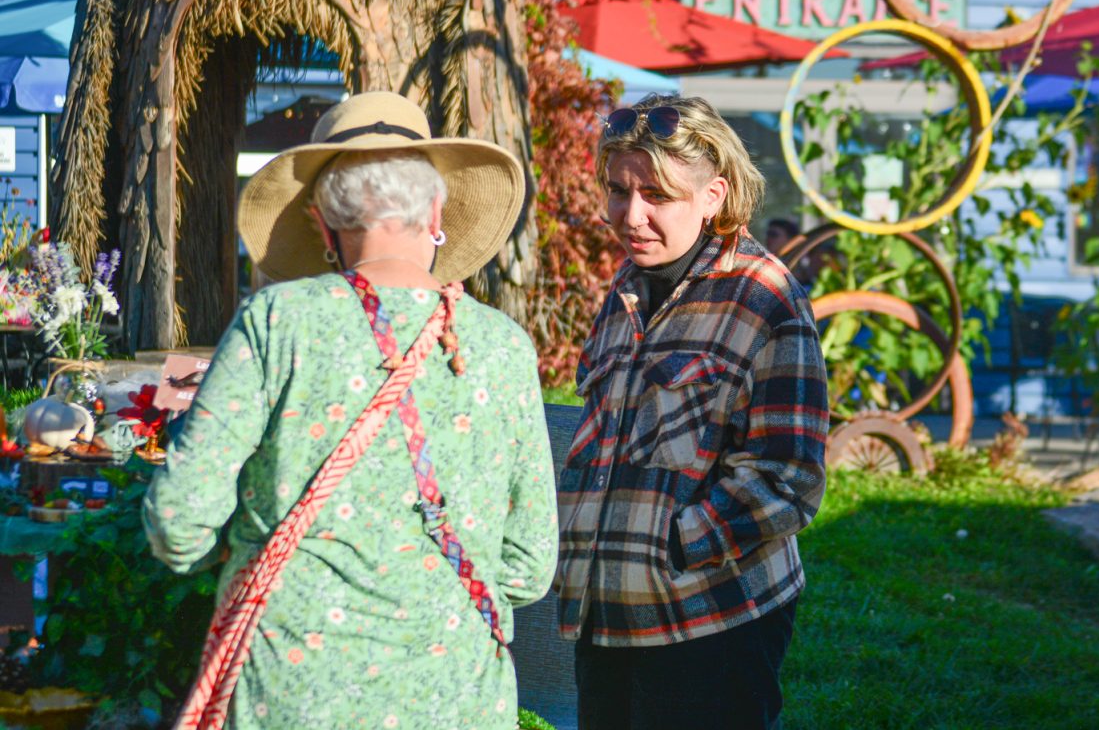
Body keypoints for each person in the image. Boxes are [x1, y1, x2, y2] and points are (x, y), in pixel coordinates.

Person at [144, 92, 558, 730]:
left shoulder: (280, 322)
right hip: (458, 693)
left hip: (292, 688)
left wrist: (239, 553)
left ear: (320, 221)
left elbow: (178, 522)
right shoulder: (503, 346)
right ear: (438, 210)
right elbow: (529, 568)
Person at [555, 94, 829, 730]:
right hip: (606, 616)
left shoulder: (765, 298)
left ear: (714, 196)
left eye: (657, 194)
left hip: (711, 618)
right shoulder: (624, 289)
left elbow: (789, 476)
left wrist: (677, 545)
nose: (632, 214)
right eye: (619, 191)